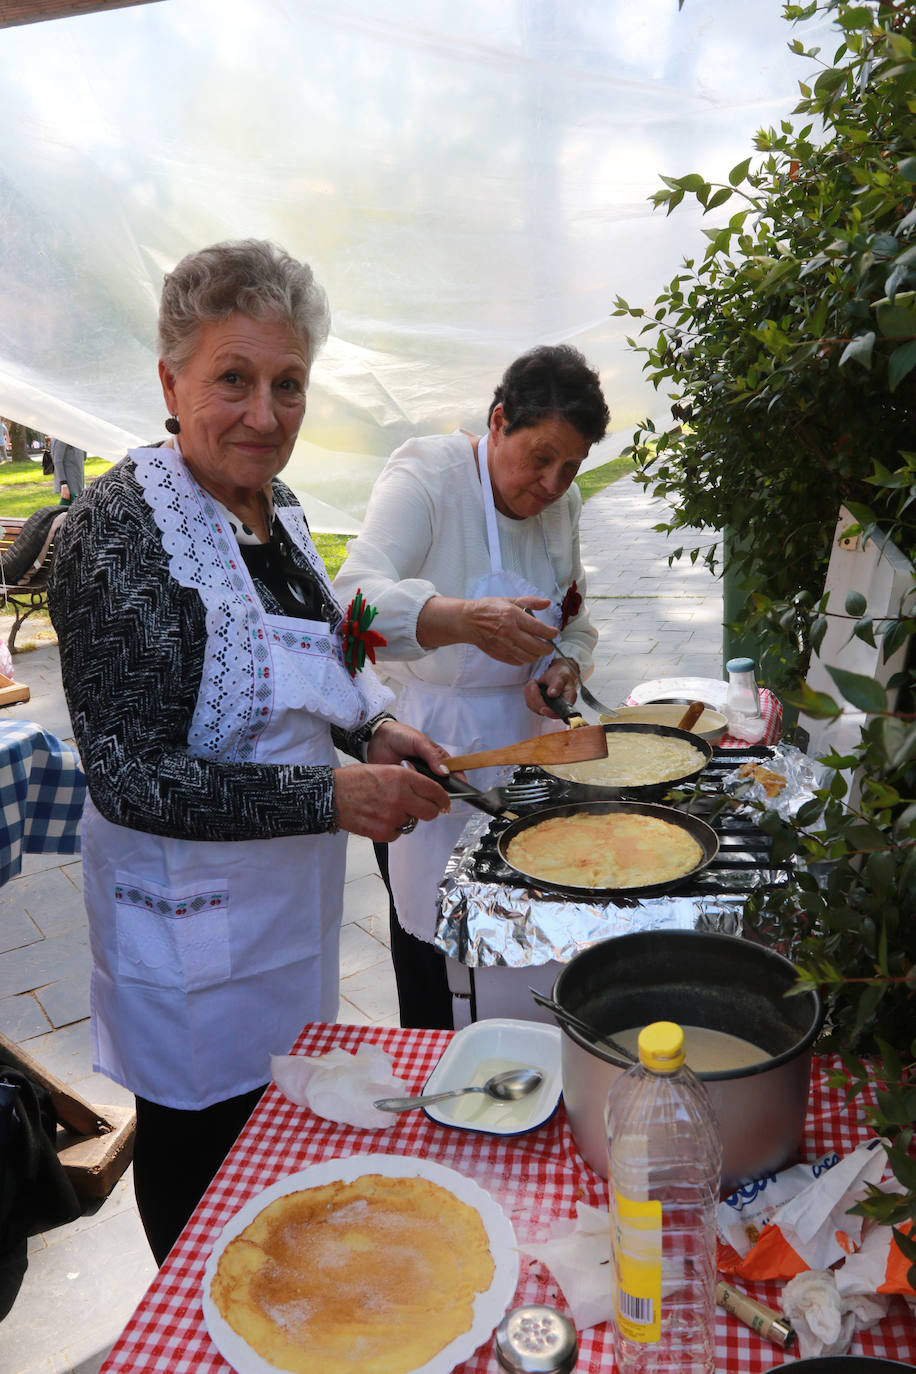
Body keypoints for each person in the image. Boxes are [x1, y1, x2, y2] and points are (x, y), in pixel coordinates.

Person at [48, 239, 452, 1265]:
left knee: (279, 1150)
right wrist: (329, 800)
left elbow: (327, 657)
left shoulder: (285, 516)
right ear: (170, 382)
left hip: (283, 922)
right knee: (200, 1173)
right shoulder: (118, 532)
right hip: (181, 932)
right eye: (233, 379)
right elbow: (131, 773)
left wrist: (376, 730)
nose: (265, 417)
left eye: (289, 385)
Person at [334, 344, 609, 1029]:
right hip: (433, 752)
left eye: (570, 466)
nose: (552, 483)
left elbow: (574, 617)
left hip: (527, 756)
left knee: (526, 942)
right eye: (540, 457)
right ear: (497, 423)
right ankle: (439, 1078)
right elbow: (349, 605)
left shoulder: (563, 502)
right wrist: (455, 618)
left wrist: (563, 667)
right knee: (438, 947)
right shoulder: (427, 475)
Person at [49, 437, 86, 503]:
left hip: (78, 481)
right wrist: (64, 485)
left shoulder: (76, 437)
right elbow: (57, 462)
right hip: (69, 484)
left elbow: (83, 457)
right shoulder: (60, 437)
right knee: (67, 509)